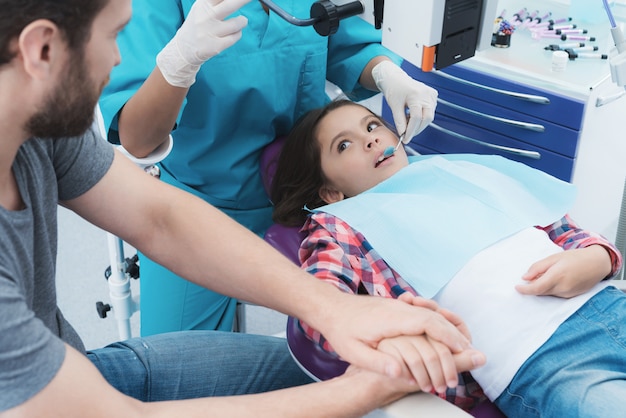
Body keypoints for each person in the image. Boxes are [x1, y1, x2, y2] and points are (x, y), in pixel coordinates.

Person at [0, 1, 490, 416]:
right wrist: (360, 391)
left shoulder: (42, 134)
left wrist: (337, 310)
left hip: (74, 365)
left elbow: (158, 218)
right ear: (41, 50)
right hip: (66, 397)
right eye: (114, 37)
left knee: (300, 370)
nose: (117, 59)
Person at [98, 0, 439, 335]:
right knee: (169, 367)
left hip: (313, 192)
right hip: (201, 202)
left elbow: (344, 41)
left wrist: (385, 72)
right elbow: (138, 138)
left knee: (393, 318)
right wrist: (179, 62)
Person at [270, 99, 626, 417]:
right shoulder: (340, 226)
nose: (370, 139)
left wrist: (598, 258)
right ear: (331, 191)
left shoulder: (463, 172)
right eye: (344, 145)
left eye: (372, 125)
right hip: (542, 361)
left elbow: (564, 229)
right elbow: (320, 305)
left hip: (610, 305)